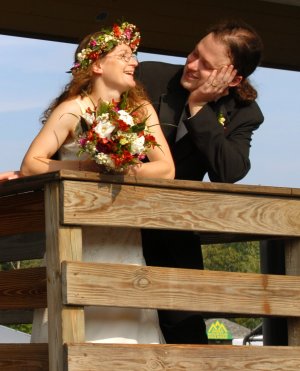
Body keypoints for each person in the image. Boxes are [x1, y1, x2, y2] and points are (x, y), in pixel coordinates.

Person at [1, 21, 175, 344]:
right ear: (96, 64)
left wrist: (119, 168)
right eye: (124, 55)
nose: (134, 63)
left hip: (124, 238)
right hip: (78, 239)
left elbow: (165, 169)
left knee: (128, 336)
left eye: (133, 56)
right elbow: (31, 163)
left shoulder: (141, 111)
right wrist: (86, 166)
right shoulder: (72, 110)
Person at [136, 19, 264, 344]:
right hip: (121, 221)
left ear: (233, 78)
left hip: (174, 231)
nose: (190, 65)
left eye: (205, 65)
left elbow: (230, 170)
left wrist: (198, 107)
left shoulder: (244, 112)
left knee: (187, 332)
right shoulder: (148, 77)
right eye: (194, 53)